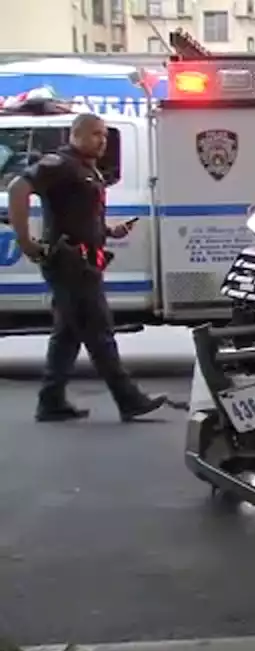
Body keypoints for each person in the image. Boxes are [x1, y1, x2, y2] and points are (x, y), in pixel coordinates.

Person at [6, 113, 167, 422]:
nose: (102, 141)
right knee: (99, 330)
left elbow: (79, 215)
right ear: (75, 135)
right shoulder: (61, 164)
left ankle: (51, 401)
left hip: (82, 259)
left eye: (105, 135)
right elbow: (17, 188)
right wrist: (25, 240)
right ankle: (129, 398)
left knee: (68, 333)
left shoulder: (84, 168)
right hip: (69, 262)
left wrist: (108, 231)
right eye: (95, 134)